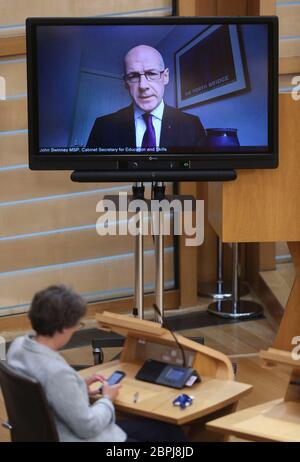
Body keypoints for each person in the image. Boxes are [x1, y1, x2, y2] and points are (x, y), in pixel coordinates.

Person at [7, 285, 187, 442]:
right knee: (171, 434)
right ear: (63, 328)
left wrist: (76, 388)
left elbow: (46, 393)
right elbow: (88, 427)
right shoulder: (57, 373)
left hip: (44, 434)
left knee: (165, 431)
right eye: (77, 325)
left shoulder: (18, 347)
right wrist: (108, 398)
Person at [86, 44, 206, 149]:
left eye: (151, 73)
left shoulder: (192, 124)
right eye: (133, 76)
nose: (143, 85)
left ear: (165, 76)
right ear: (125, 82)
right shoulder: (103, 126)